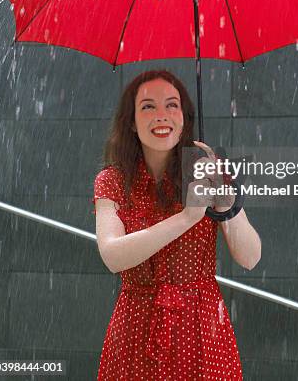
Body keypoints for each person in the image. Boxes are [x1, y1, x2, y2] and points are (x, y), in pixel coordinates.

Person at [92, 69, 262, 380]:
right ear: (131, 121)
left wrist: (224, 201)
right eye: (148, 106)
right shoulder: (112, 181)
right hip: (136, 326)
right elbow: (113, 255)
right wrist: (186, 218)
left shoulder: (208, 172)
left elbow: (250, 257)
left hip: (203, 328)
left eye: (172, 105)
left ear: (183, 118)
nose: (162, 115)